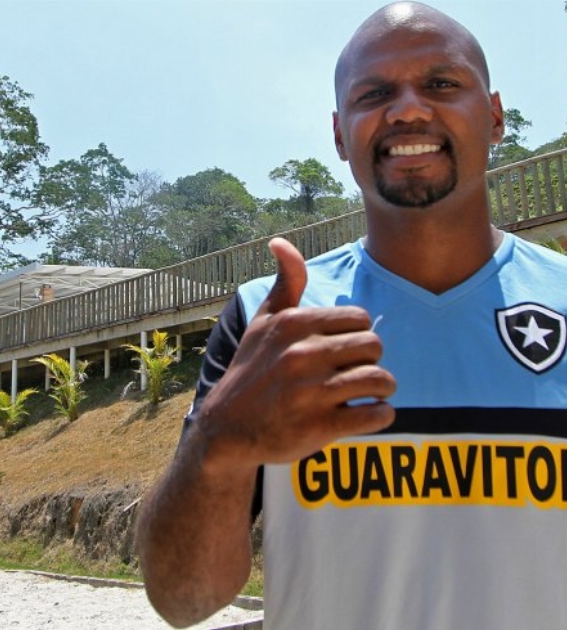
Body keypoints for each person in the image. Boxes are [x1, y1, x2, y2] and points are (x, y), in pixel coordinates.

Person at [136, 2, 567, 628]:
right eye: (375, 93)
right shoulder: (271, 319)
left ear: (495, 117)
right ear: (340, 134)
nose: (409, 109)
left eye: (442, 84)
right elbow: (183, 601)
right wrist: (214, 443)